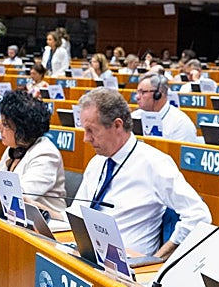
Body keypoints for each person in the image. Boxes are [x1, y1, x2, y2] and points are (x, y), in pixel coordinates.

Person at [74, 89, 210, 257]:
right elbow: (77, 212)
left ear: (117, 125)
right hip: (86, 255)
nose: (86, 139)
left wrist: (157, 261)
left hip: (128, 265)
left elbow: (199, 216)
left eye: (91, 130)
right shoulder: (97, 162)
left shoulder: (155, 163)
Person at [131, 73, 198, 143]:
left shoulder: (181, 123)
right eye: (137, 92)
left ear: (158, 94)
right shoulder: (135, 116)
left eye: (142, 92)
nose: (137, 97)